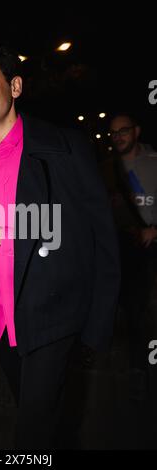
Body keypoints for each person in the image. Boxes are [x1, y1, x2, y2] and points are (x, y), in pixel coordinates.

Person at [0, 37, 120, 449]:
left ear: (14, 86)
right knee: (37, 417)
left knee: (32, 432)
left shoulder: (63, 148)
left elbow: (95, 234)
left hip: (53, 316)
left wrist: (97, 328)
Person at [109, 113, 157, 396]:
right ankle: (135, 362)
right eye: (114, 133)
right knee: (129, 305)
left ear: (136, 131)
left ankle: (140, 365)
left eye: (123, 131)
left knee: (143, 306)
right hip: (120, 247)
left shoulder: (153, 163)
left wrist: (154, 231)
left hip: (149, 243)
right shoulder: (106, 168)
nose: (118, 137)